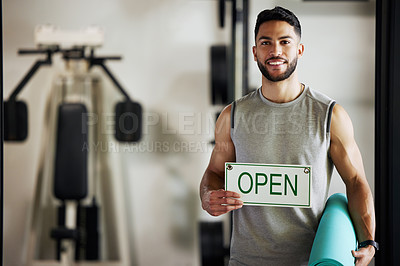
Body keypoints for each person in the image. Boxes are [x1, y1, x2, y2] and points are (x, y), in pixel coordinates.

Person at [199, 6, 376, 266]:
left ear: (299, 50)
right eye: (265, 43)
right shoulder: (232, 115)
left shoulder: (330, 115)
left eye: (285, 42)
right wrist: (208, 196)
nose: (275, 51)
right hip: (244, 261)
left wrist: (368, 241)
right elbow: (214, 173)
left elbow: (356, 181)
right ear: (255, 52)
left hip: (308, 261)